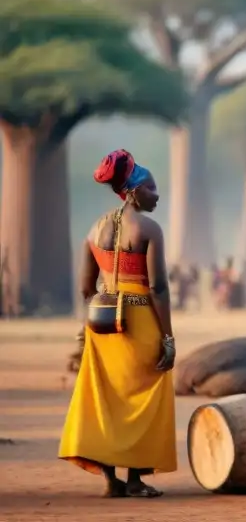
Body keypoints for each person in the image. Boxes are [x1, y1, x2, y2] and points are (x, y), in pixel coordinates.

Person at [58, 149, 176, 497]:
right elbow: (158, 287)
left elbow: (84, 288)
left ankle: (112, 481)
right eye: (152, 188)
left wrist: (93, 321)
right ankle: (136, 479)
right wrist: (167, 337)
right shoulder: (150, 229)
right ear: (135, 191)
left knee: (107, 400)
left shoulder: (94, 229)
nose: (157, 194)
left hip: (102, 322)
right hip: (140, 320)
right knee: (143, 398)